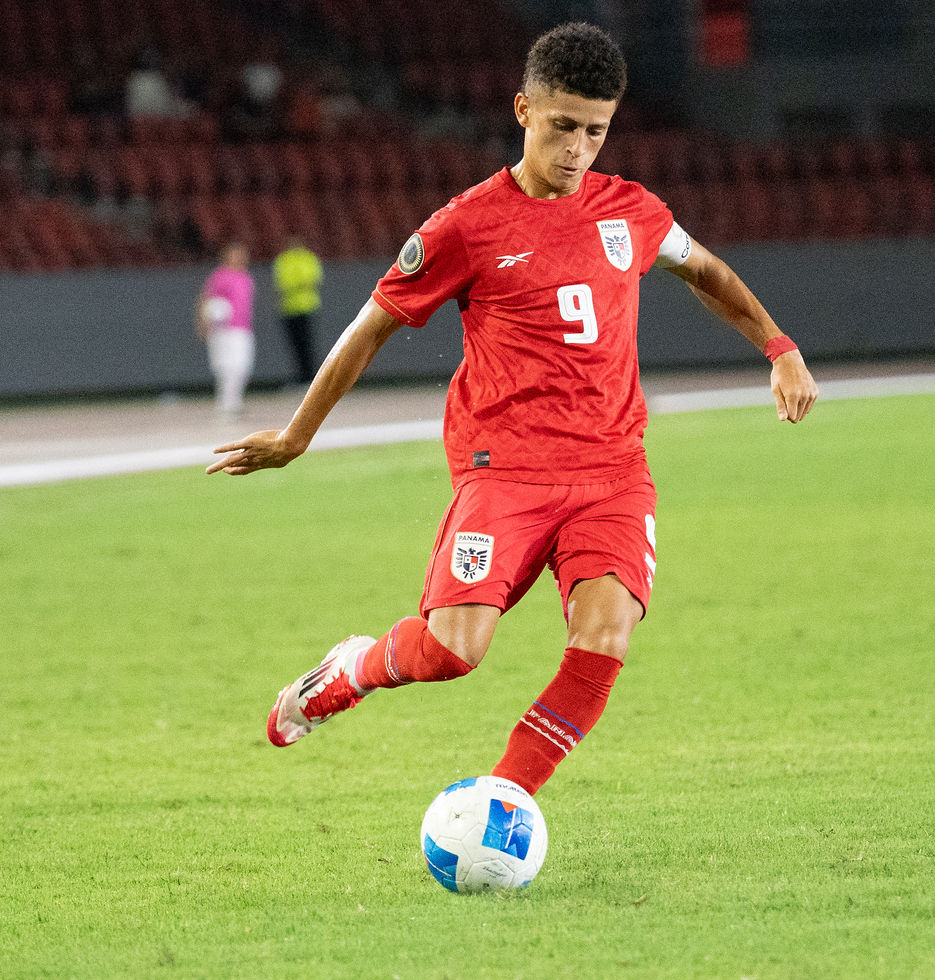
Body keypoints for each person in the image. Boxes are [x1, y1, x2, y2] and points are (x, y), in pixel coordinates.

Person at [206, 23, 818, 796]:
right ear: (524, 110)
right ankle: (353, 666)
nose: (578, 148)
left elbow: (708, 272)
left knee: (606, 636)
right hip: (507, 471)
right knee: (454, 650)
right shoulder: (466, 226)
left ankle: (503, 801)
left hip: (612, 472)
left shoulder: (631, 211)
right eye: (563, 126)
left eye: (596, 131)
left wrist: (779, 346)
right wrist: (297, 435)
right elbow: (370, 329)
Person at [197, 242, 256, 419]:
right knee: (227, 367)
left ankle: (233, 402)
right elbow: (206, 300)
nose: (240, 257)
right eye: (235, 254)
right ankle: (227, 405)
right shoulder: (220, 276)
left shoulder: (246, 277)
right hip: (223, 331)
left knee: (243, 366)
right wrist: (204, 324)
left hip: (243, 328)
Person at [272, 237, 324, 384]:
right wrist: (297, 285)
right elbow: (283, 283)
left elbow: (311, 280)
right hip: (288, 309)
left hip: (306, 307)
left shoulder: (308, 258)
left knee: (307, 344)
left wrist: (294, 286)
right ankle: (301, 377)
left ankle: (312, 377)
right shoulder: (283, 260)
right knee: (295, 346)